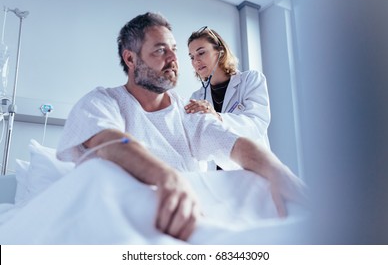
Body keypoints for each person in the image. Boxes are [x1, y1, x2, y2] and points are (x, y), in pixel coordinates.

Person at [56, 12, 306, 242]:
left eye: (174, 50)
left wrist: (277, 171)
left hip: (186, 221)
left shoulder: (186, 111)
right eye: (160, 50)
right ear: (130, 58)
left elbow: (233, 143)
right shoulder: (102, 101)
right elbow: (110, 141)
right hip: (120, 219)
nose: (174, 59)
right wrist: (167, 177)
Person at [185, 26, 271, 150]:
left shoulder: (250, 80)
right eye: (191, 57)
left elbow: (256, 125)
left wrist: (217, 117)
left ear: (221, 52)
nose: (196, 61)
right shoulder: (196, 98)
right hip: (215, 168)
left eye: (201, 52)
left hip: (249, 165)